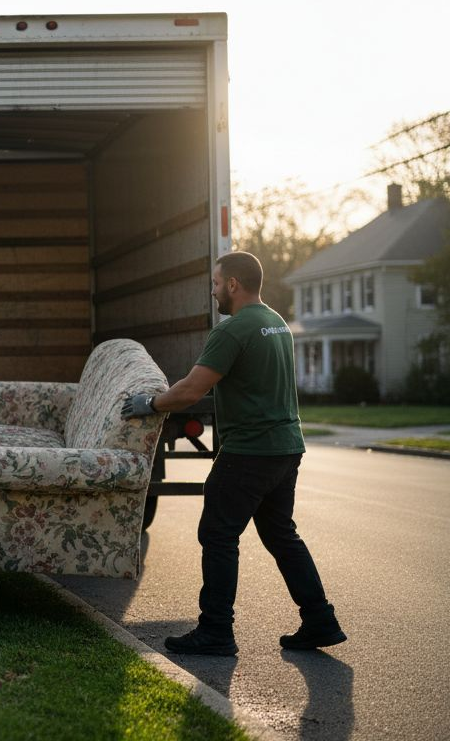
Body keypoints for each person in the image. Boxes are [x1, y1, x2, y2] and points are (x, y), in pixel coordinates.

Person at [123, 251, 346, 656]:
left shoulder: (234, 330)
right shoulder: (276, 323)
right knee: (281, 535)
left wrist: (149, 403)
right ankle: (320, 620)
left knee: (218, 534)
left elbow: (191, 390)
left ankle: (215, 631)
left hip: (249, 451)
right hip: (285, 447)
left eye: (214, 283)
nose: (212, 291)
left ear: (233, 284)